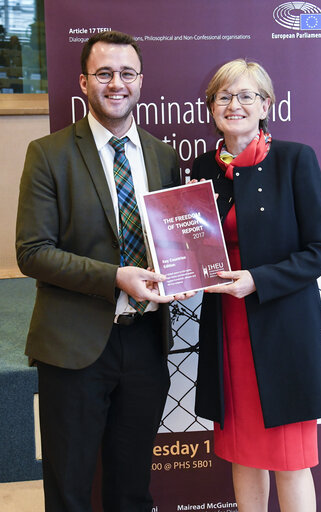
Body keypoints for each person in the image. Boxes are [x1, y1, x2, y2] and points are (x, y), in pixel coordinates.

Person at [16, 30, 191, 512]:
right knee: (69, 490)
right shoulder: (48, 153)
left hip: (144, 343)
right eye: (104, 73)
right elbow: (32, 252)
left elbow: (172, 243)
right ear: (83, 82)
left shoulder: (163, 156)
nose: (117, 83)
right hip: (73, 348)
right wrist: (116, 276)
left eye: (127, 73)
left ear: (141, 81)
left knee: (131, 489)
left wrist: (181, 271)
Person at [191, 58, 321, 512]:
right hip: (226, 331)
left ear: (265, 105)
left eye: (245, 96)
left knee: (290, 460)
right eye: (223, 96)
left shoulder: (296, 159)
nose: (233, 104)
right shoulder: (203, 168)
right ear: (211, 107)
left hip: (283, 332)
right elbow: (192, 245)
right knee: (242, 454)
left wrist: (258, 280)